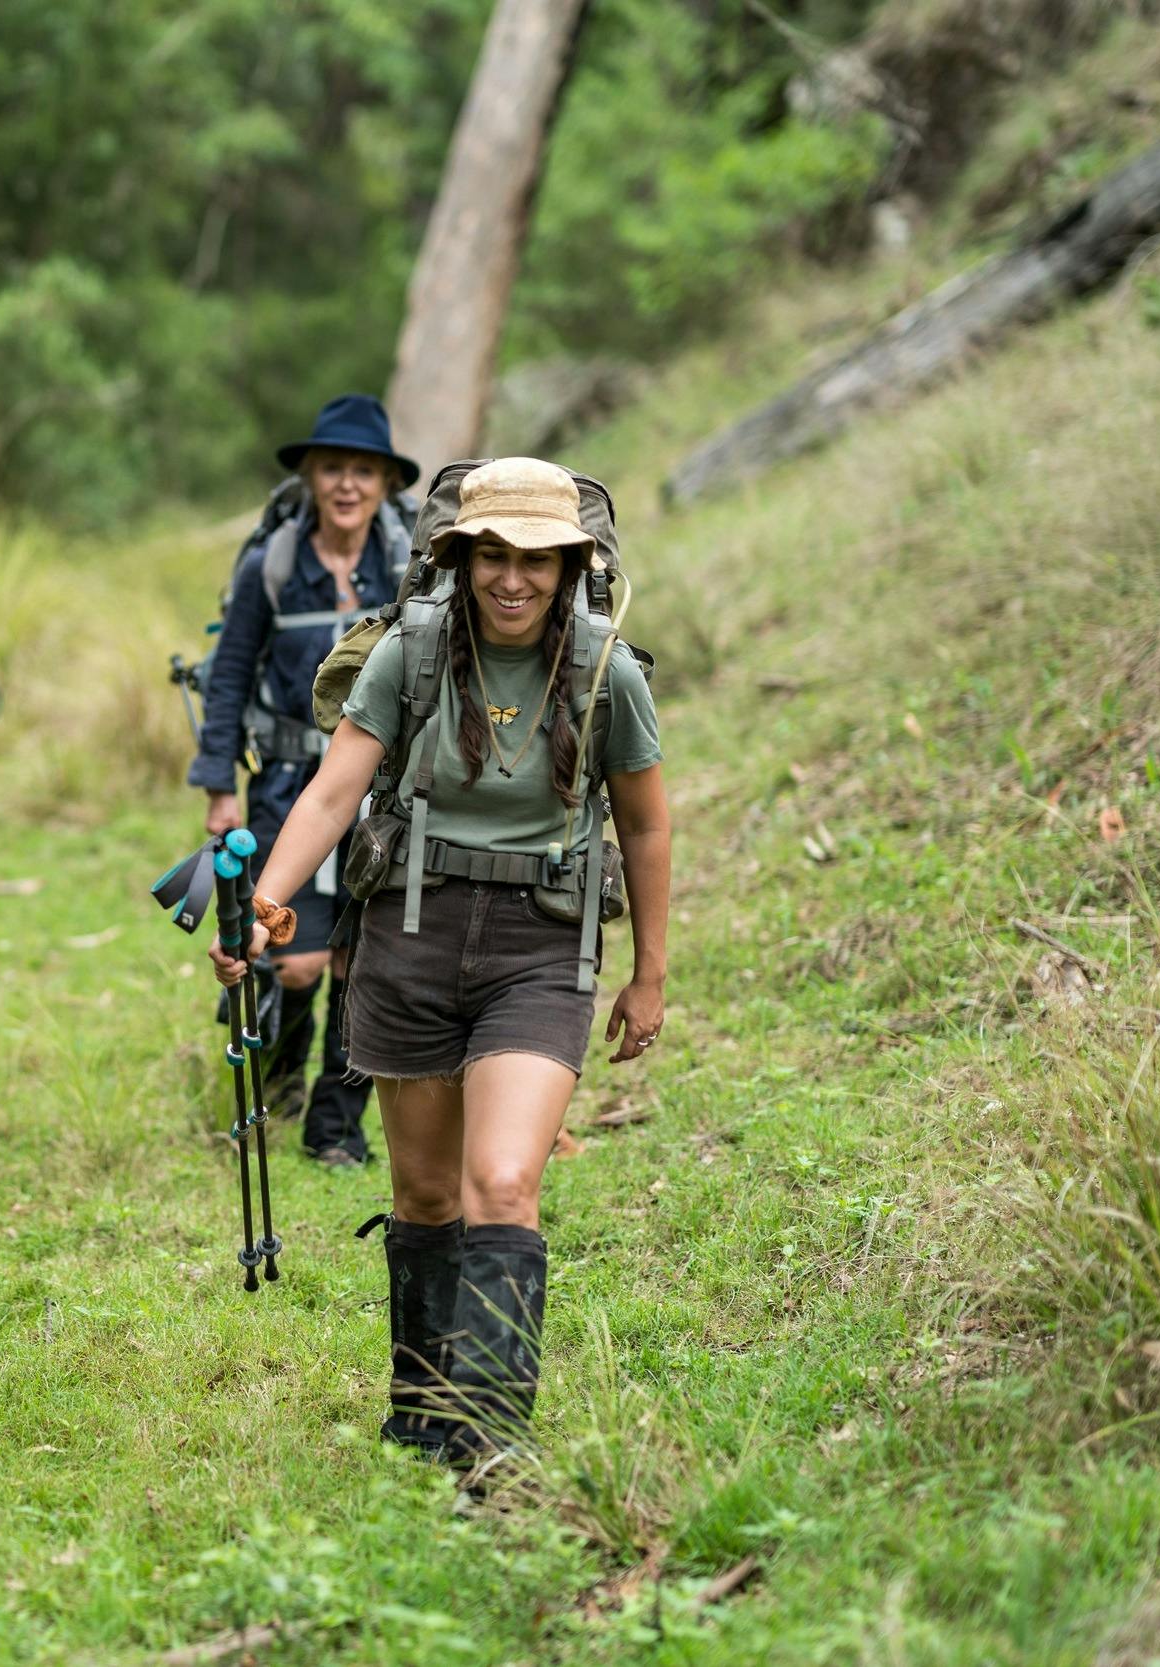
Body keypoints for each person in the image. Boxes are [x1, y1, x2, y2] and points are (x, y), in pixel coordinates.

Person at [210, 457, 672, 1465]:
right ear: (460, 559)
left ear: (569, 566)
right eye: (492, 556)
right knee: (423, 1196)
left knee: (501, 1181)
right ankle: (422, 1412)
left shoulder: (607, 671)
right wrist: (268, 902)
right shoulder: (409, 655)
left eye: (536, 561)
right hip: (408, 940)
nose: (513, 580)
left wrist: (650, 971)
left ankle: (492, 1445)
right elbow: (333, 793)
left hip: (540, 946)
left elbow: (642, 825)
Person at [188, 394, 418, 1166]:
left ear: (385, 481)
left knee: (364, 957)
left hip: (386, 795)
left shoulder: (408, 565)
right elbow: (227, 677)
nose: (347, 484)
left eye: (362, 470)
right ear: (311, 477)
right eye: (332, 469)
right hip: (290, 786)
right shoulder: (273, 565)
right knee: (293, 956)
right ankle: (278, 1084)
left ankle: (335, 1125)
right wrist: (218, 781)